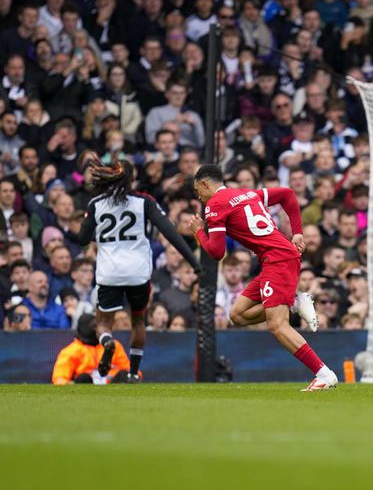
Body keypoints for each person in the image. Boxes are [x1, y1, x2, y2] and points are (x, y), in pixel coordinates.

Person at [190, 165, 335, 391]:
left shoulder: (214, 205)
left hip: (277, 259)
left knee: (277, 325)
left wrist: (199, 231)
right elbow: (287, 194)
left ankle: (323, 374)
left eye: (198, 189)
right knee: (237, 314)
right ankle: (294, 303)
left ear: (206, 184)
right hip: (276, 258)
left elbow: (217, 252)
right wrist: (297, 232)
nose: (198, 195)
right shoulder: (247, 193)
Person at [76, 159, 201, 384]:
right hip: (138, 272)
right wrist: (195, 263)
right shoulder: (144, 203)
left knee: (104, 321)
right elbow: (170, 233)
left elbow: (82, 238)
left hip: (109, 272)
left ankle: (107, 342)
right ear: (132, 178)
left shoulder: (96, 204)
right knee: (138, 320)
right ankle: (133, 372)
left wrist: (98, 231)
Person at [52, 314, 131, 385]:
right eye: (93, 328)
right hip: (86, 391)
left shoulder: (112, 345)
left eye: (96, 327)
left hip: (112, 387)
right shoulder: (71, 351)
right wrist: (74, 384)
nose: (95, 330)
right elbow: (59, 379)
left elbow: (129, 371)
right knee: (84, 378)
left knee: (124, 375)